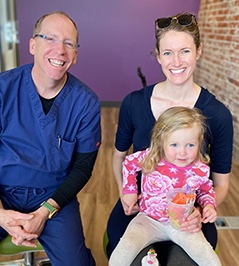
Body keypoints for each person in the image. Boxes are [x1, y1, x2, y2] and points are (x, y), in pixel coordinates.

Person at [0, 11, 101, 266]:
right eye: (50, 38)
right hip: (0, 190)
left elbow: (83, 168)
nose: (60, 50)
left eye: (69, 43)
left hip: (53, 199)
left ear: (75, 54)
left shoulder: (86, 103)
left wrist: (45, 212)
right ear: (33, 44)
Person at [106, 12, 233, 265]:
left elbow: (220, 184)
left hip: (187, 217)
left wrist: (200, 210)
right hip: (141, 211)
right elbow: (120, 157)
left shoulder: (217, 115)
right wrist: (125, 192)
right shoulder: (134, 103)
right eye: (167, 53)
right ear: (158, 54)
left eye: (185, 51)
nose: (176, 61)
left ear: (198, 51)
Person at [109, 106, 221, 266]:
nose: (182, 152)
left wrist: (209, 205)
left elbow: (205, 191)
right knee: (121, 255)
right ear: (162, 141)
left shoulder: (200, 169)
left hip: (182, 225)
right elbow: (128, 164)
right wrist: (129, 190)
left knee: (210, 260)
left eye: (190, 145)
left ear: (199, 141)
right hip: (148, 220)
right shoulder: (151, 157)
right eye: (174, 145)